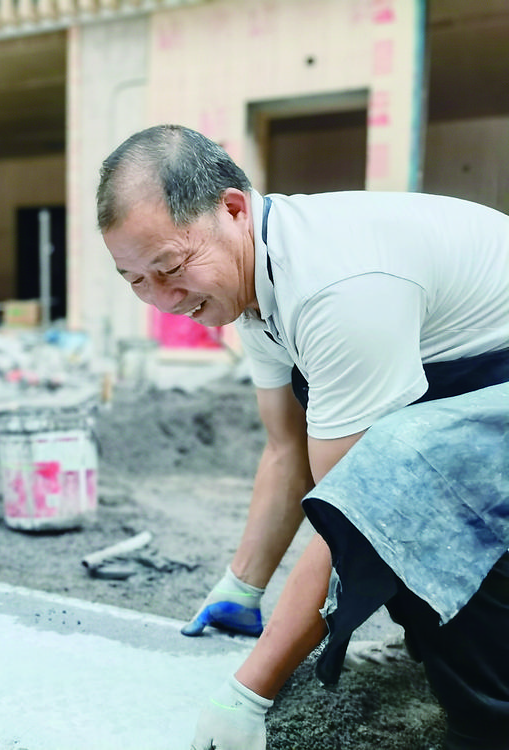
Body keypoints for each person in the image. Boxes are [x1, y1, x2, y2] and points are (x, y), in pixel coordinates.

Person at [96, 124, 509, 749]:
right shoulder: (252, 284)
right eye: (135, 280)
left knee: (420, 487)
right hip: (477, 384)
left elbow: (359, 511)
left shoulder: (336, 288)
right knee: (373, 450)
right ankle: (442, 641)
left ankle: (491, 720)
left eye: (170, 268)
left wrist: (250, 690)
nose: (162, 299)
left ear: (232, 207)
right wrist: (243, 584)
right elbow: (287, 451)